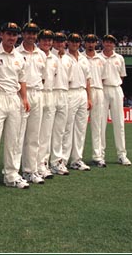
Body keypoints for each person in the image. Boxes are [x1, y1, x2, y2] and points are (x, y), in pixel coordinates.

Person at [0, 22, 30, 190]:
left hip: (14, 98)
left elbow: (22, 79)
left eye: (14, 34)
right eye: (8, 34)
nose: (11, 37)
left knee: (14, 139)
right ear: (1, 35)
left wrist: (25, 98)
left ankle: (11, 175)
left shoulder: (20, 57)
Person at [17, 22, 46, 184]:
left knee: (34, 135)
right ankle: (15, 170)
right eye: (28, 33)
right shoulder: (16, 52)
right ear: (23, 34)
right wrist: (23, 96)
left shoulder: (41, 54)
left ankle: (30, 170)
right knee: (19, 135)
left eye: (34, 33)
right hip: (22, 94)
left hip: (37, 93)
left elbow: (42, 77)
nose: (31, 36)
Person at [100, 34, 132, 166]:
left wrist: (114, 83)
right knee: (100, 124)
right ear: (103, 43)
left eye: (111, 42)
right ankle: (100, 155)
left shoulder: (120, 58)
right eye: (107, 42)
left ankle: (122, 155)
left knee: (119, 123)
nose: (109, 44)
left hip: (116, 89)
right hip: (102, 89)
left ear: (114, 44)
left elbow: (121, 76)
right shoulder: (98, 57)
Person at [62, 33, 92, 171]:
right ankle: (63, 159)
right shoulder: (64, 58)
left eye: (77, 41)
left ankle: (77, 159)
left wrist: (89, 97)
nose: (75, 43)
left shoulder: (84, 59)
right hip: (70, 92)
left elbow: (88, 80)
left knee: (81, 128)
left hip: (82, 93)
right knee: (67, 128)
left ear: (80, 43)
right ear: (68, 42)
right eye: (72, 41)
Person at [36, 29, 57, 179]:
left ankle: (43, 163)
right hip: (38, 93)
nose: (47, 42)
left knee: (46, 133)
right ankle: (33, 164)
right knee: (34, 133)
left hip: (50, 94)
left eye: (50, 40)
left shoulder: (55, 59)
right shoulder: (37, 54)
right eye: (44, 39)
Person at [83, 34, 107, 167]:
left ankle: (97, 156)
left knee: (97, 125)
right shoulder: (80, 58)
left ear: (96, 43)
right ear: (85, 43)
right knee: (79, 126)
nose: (90, 44)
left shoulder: (101, 59)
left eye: (93, 42)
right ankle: (76, 157)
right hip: (84, 91)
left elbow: (103, 78)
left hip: (98, 90)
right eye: (88, 41)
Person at [49, 32, 71, 176]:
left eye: (61, 41)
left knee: (60, 131)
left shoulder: (68, 59)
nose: (59, 43)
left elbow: (69, 79)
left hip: (64, 93)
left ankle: (57, 161)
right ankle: (43, 162)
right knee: (46, 132)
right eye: (56, 41)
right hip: (51, 93)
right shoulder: (49, 56)